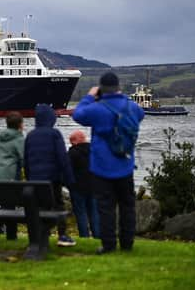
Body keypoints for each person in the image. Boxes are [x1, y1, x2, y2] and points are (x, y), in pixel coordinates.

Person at [72, 72, 144, 254]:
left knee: (106, 208)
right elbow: (140, 114)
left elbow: (78, 115)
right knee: (127, 206)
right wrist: (122, 98)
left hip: (102, 166)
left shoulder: (97, 109)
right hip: (125, 165)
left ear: (101, 88)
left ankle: (109, 244)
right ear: (118, 86)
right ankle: (127, 243)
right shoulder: (131, 106)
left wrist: (90, 96)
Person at [24, 103, 76, 247]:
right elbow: (63, 158)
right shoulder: (54, 134)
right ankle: (62, 235)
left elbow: (26, 161)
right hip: (53, 180)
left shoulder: (30, 135)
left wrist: (30, 179)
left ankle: (41, 234)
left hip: (36, 181)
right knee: (58, 206)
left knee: (40, 208)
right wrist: (69, 180)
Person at [0, 111, 25, 243]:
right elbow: (24, 159)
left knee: (6, 205)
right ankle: (2, 230)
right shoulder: (18, 139)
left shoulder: (1, 139)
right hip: (10, 176)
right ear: (20, 125)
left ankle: (5, 233)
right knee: (10, 206)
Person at [67, 130, 100, 239]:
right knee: (94, 213)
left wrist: (69, 185)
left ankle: (84, 236)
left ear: (75, 142)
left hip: (78, 188)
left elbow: (67, 172)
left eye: (71, 142)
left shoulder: (72, 153)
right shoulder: (94, 150)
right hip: (94, 186)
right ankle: (97, 235)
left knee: (81, 214)